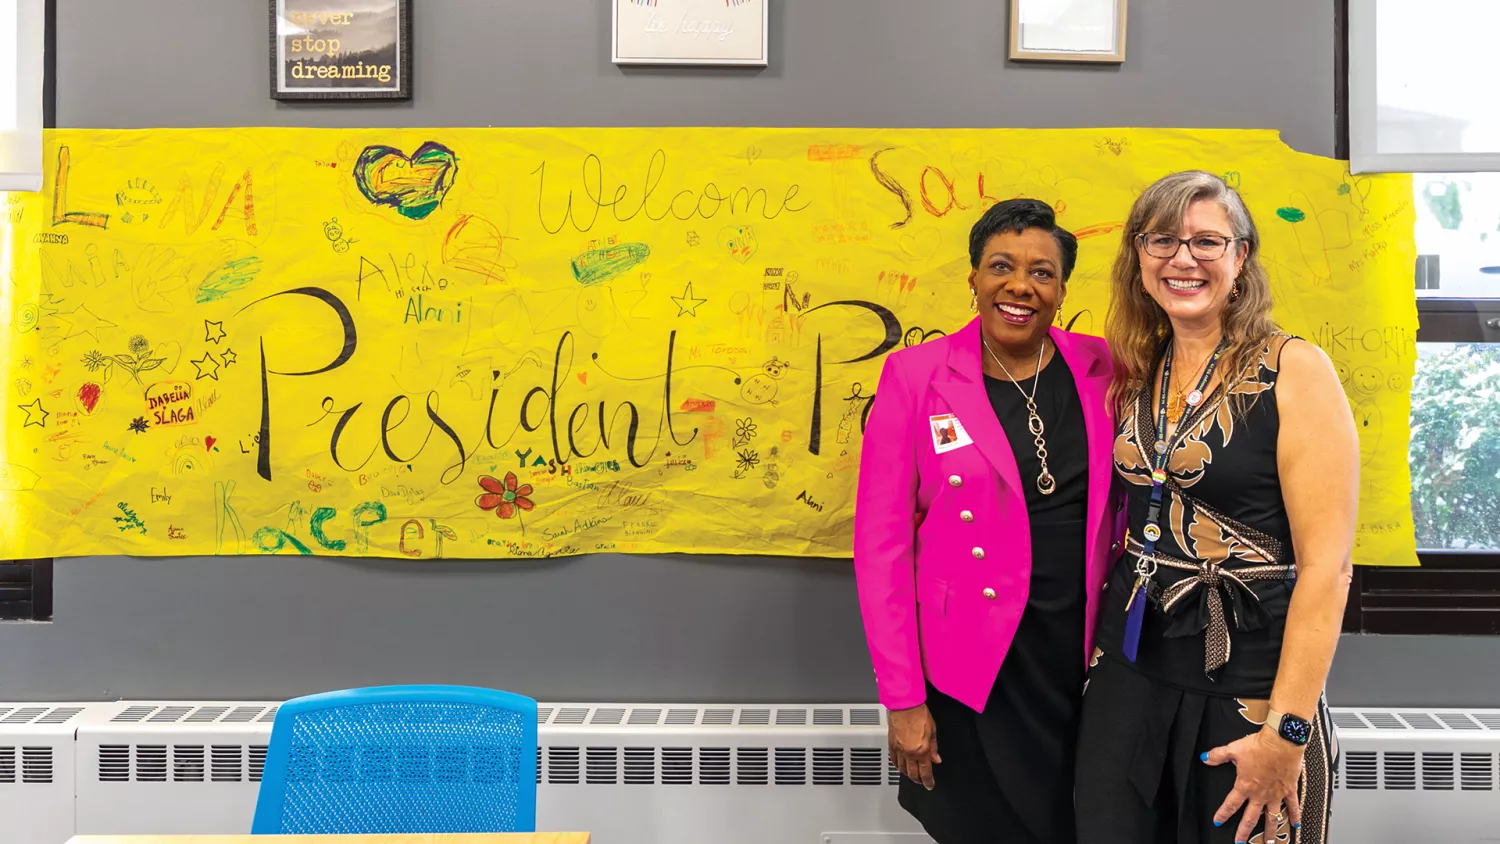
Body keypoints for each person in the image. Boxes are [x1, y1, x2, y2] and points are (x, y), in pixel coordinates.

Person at [1076, 171, 1356, 844]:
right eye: (1163, 239)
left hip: (1253, 687)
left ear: (1242, 256)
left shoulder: (1296, 370)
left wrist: (1286, 734)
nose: (1182, 259)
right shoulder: (1140, 367)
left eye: (1207, 241)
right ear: (1137, 256)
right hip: (1129, 676)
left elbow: (1328, 569)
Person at [854, 198, 1122, 844]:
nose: (1020, 286)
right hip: (970, 675)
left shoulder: (1104, 368)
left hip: (1077, 668)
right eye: (1001, 265)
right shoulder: (917, 377)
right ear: (973, 277)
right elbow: (881, 549)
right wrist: (903, 699)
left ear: (1061, 290)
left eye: (1042, 273)